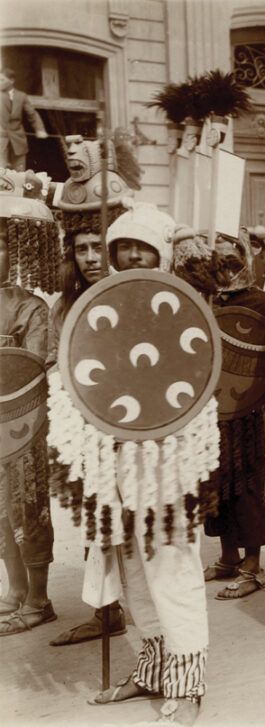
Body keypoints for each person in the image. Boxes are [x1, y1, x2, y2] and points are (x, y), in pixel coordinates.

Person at [66, 203, 217, 726]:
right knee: (129, 572)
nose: (131, 255)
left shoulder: (188, 308)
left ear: (163, 254)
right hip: (116, 465)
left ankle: (187, 683)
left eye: (142, 247)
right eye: (122, 247)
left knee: (170, 569)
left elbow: (195, 386)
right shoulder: (97, 307)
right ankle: (151, 671)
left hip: (169, 464)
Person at [47, 154, 133, 646]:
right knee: (94, 516)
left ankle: (130, 609)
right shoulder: (65, 305)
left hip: (127, 424)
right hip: (86, 425)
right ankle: (105, 610)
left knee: (127, 518)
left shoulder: (128, 295)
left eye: (98, 247)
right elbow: (61, 363)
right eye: (82, 249)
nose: (91, 257)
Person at [203, 228, 265, 600]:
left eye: (231, 263)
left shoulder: (263, 303)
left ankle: (252, 565)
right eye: (217, 264)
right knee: (213, 483)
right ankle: (227, 557)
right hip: (210, 409)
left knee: (246, 484)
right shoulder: (204, 299)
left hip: (246, 408)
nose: (225, 271)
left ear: (244, 261)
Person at [0, 190, 59, 637]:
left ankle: (39, 599)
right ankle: (15, 589)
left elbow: (33, 364)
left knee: (28, 507)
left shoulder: (31, 306)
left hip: (22, 420)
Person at [1, 66, 48, 171]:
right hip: (1, 140)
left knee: (19, 173)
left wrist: (40, 129)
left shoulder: (21, 96)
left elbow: (32, 114)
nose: (0, 82)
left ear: (11, 80)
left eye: (2, 80)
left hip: (18, 140)